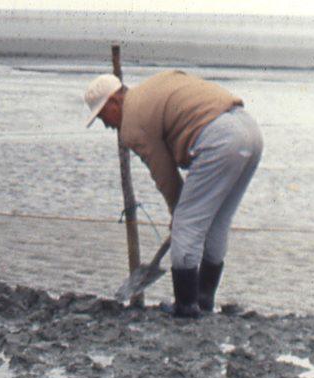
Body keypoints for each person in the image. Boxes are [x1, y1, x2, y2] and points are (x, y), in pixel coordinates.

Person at [84, 70, 263, 318]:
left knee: (186, 225)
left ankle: (186, 307)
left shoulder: (132, 123)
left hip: (219, 139)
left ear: (114, 101)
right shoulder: (150, 89)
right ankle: (203, 300)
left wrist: (177, 213)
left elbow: (164, 174)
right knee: (217, 222)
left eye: (104, 116)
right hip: (250, 131)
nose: (107, 126)